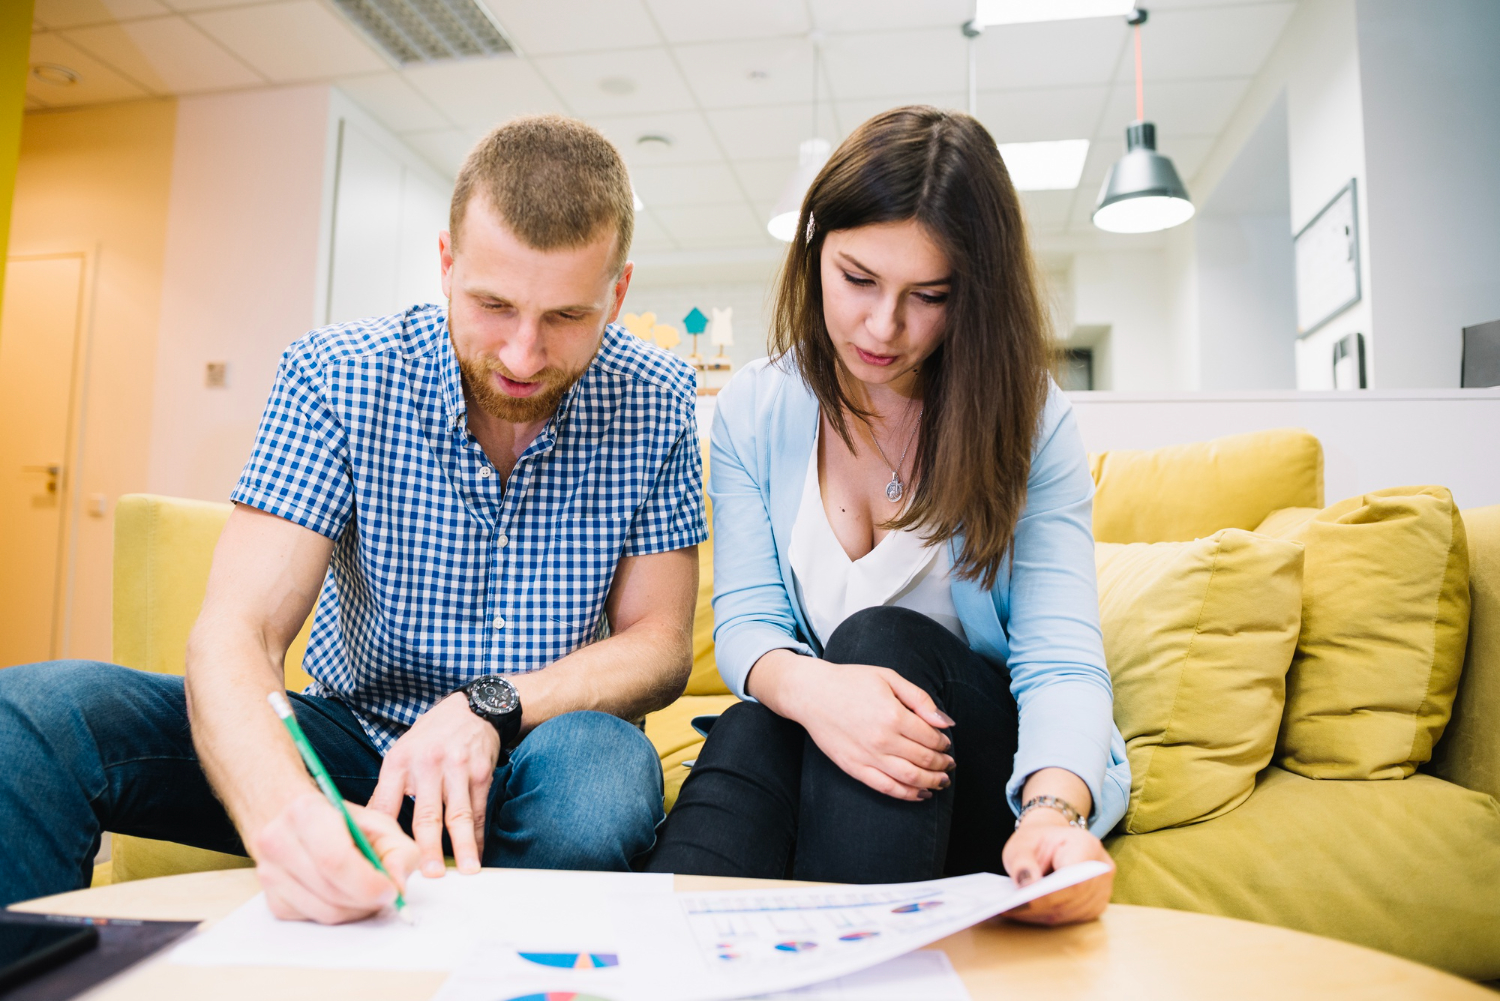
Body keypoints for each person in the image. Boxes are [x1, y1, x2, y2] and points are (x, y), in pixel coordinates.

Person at [0, 115, 706, 922]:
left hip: (545, 744)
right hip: (351, 742)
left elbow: (659, 644)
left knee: (597, 785)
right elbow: (237, 632)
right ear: (447, 264)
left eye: (566, 318)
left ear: (617, 291)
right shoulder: (336, 376)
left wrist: (488, 706)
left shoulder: (657, 398)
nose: (521, 354)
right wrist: (287, 815)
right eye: (493, 304)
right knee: (30, 716)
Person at [645, 106, 1128, 925]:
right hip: (831, 757)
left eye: (928, 296)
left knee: (878, 639)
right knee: (754, 729)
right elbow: (749, 623)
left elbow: (1061, 660)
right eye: (858, 279)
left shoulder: (1032, 420)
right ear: (813, 255)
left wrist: (1053, 811)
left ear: (972, 294)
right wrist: (820, 693)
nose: (882, 327)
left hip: (982, 776)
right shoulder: (755, 409)